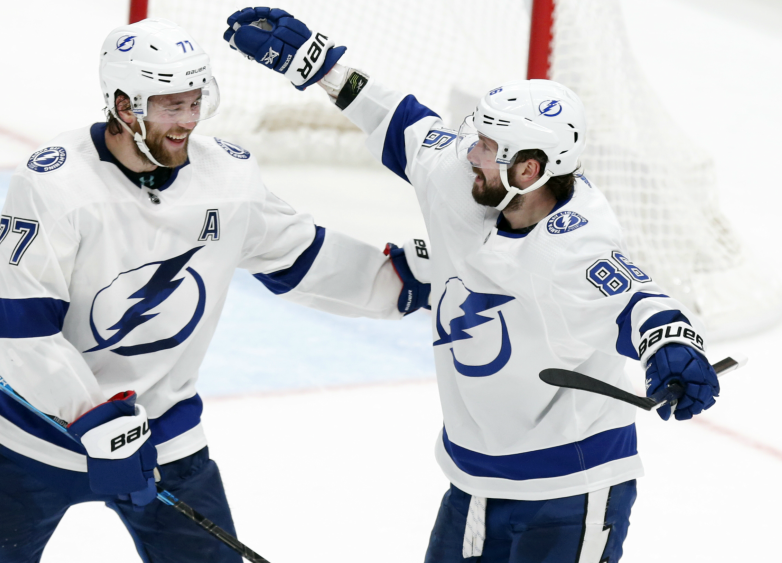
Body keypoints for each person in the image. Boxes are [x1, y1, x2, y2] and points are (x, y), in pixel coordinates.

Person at [225, 7, 721, 562]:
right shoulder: (462, 177)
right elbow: (399, 120)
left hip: (571, 488)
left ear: (529, 170)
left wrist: (674, 345)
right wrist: (315, 64)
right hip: (475, 482)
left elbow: (639, 302)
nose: (470, 151)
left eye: (487, 145)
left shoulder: (573, 245)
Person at [0, 17, 412, 563]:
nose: (188, 120)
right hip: (27, 440)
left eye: (195, 102)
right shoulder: (55, 184)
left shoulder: (226, 179)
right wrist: (94, 419)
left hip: (162, 440)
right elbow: (22, 335)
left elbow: (299, 255)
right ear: (124, 106)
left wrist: (401, 284)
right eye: (171, 106)